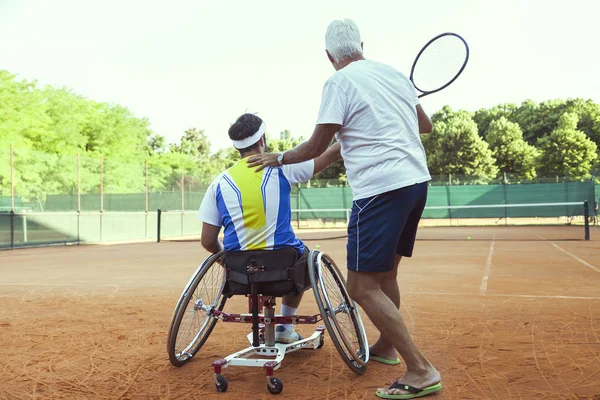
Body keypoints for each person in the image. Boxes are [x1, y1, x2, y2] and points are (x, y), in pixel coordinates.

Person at [247, 19, 441, 399]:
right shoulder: (394, 75)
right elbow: (426, 126)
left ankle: (420, 370)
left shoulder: (338, 82)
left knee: (362, 288)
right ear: (361, 44)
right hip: (416, 183)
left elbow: (315, 147)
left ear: (329, 55)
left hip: (379, 191)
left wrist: (278, 158)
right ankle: (386, 347)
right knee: (385, 276)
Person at [197, 113, 341, 344]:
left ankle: (262, 322)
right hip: (285, 270)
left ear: (237, 147)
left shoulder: (219, 183)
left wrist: (227, 260)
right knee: (304, 256)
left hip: (239, 274)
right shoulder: (283, 168)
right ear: (262, 139)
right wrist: (352, 135)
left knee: (253, 263)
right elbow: (330, 155)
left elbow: (207, 241)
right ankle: (284, 325)